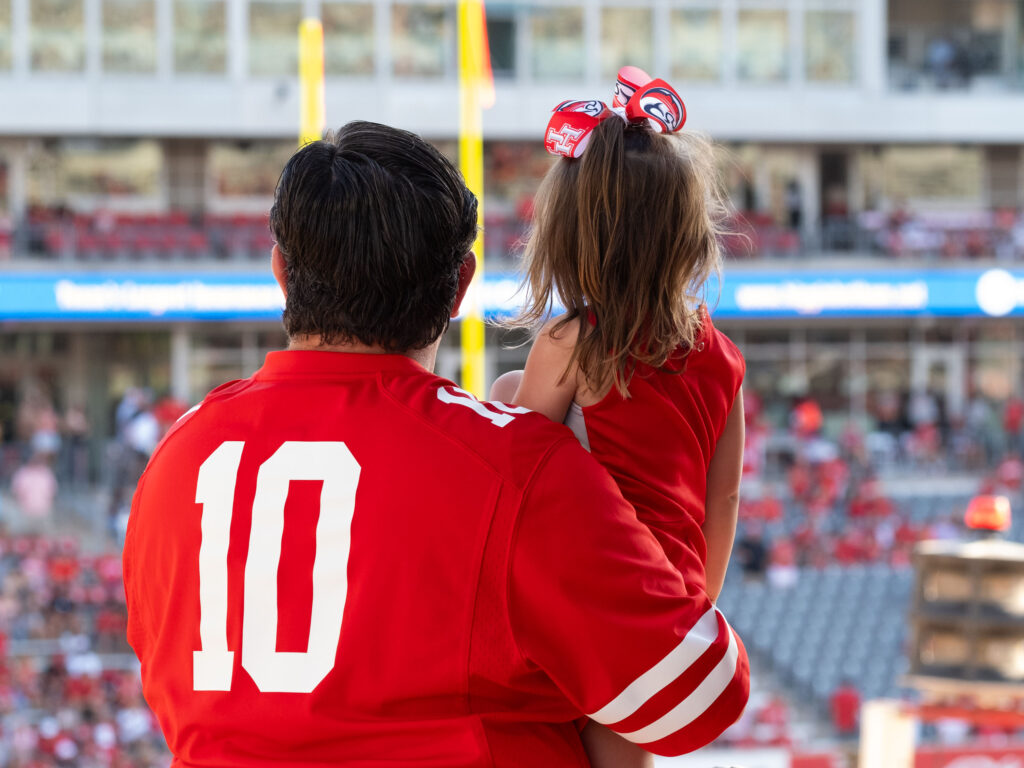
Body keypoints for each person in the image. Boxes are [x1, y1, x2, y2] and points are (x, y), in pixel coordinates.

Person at [123, 121, 749, 767]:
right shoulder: (515, 465)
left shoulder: (176, 453)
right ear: (460, 287)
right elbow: (696, 697)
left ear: (280, 271)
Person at [490, 67, 745, 768]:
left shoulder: (572, 341)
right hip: (670, 598)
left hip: (595, 589)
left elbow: (520, 470)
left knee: (509, 390)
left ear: (568, 237)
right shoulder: (719, 355)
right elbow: (722, 494)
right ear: (688, 236)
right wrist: (694, 599)